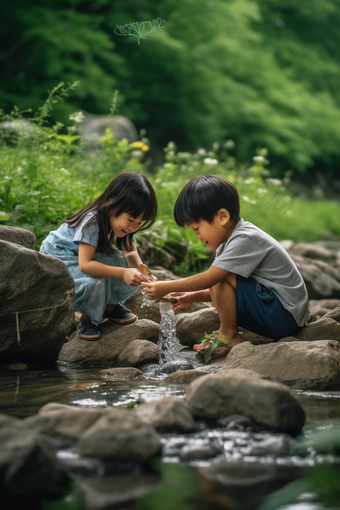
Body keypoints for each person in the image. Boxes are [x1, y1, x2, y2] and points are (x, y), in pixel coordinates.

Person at [143, 174, 310, 352]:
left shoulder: (246, 238)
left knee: (219, 273)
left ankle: (228, 335)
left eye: (197, 229)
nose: (197, 237)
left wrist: (166, 286)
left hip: (285, 314)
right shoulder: (226, 243)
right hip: (275, 315)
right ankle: (229, 334)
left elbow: (212, 279)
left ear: (222, 216)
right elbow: (227, 288)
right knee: (220, 272)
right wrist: (193, 297)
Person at [40, 172, 157, 341]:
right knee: (96, 281)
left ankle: (110, 307)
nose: (134, 227)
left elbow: (130, 252)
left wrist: (142, 271)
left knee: (130, 268)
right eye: (131, 219)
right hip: (60, 257)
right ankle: (87, 319)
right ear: (113, 205)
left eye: (139, 222)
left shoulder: (124, 226)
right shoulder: (92, 221)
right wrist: (123, 273)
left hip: (83, 257)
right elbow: (85, 265)